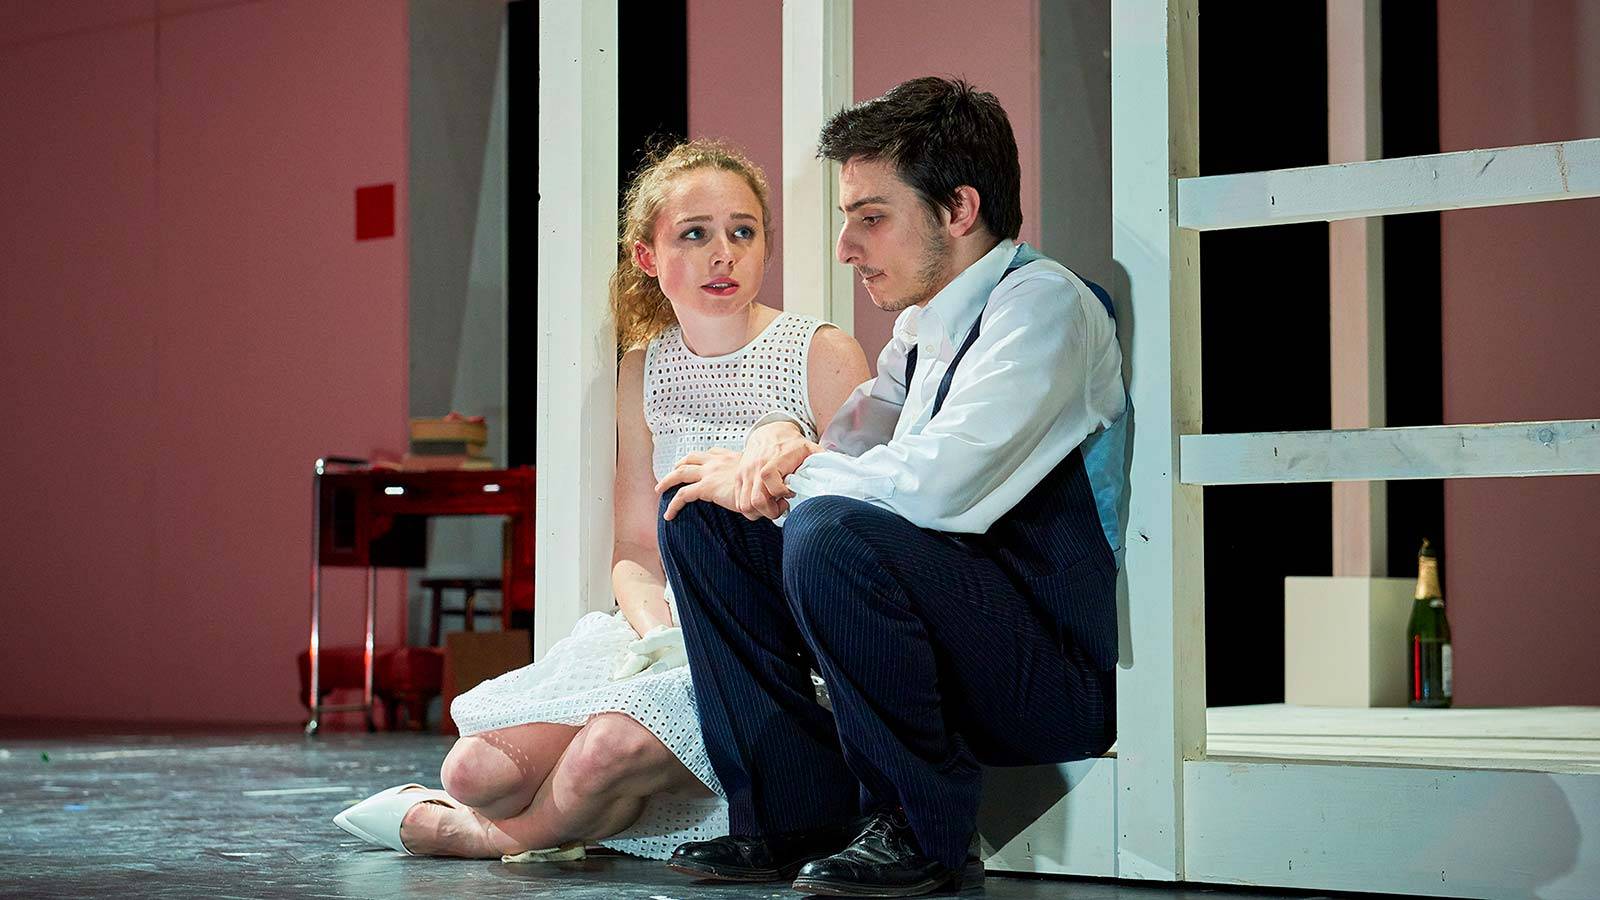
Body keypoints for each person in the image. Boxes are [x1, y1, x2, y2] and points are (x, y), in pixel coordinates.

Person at [332, 140, 870, 861]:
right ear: (648, 256)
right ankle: (573, 815)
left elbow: (858, 532)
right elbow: (636, 550)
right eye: (695, 233)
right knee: (475, 768)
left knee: (598, 757)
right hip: (660, 633)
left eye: (743, 231)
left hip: (771, 642)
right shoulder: (641, 368)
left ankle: (484, 839)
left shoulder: (820, 350)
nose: (725, 254)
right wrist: (660, 637)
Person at [655, 76, 1125, 897]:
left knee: (829, 529)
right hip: (959, 642)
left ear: (958, 210)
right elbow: (850, 447)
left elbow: (937, 492)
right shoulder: (921, 329)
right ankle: (791, 812)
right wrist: (775, 446)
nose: (845, 246)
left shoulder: (1043, 309)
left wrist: (792, 471)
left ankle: (923, 829)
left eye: (870, 217)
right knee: (703, 517)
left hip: (1054, 676)